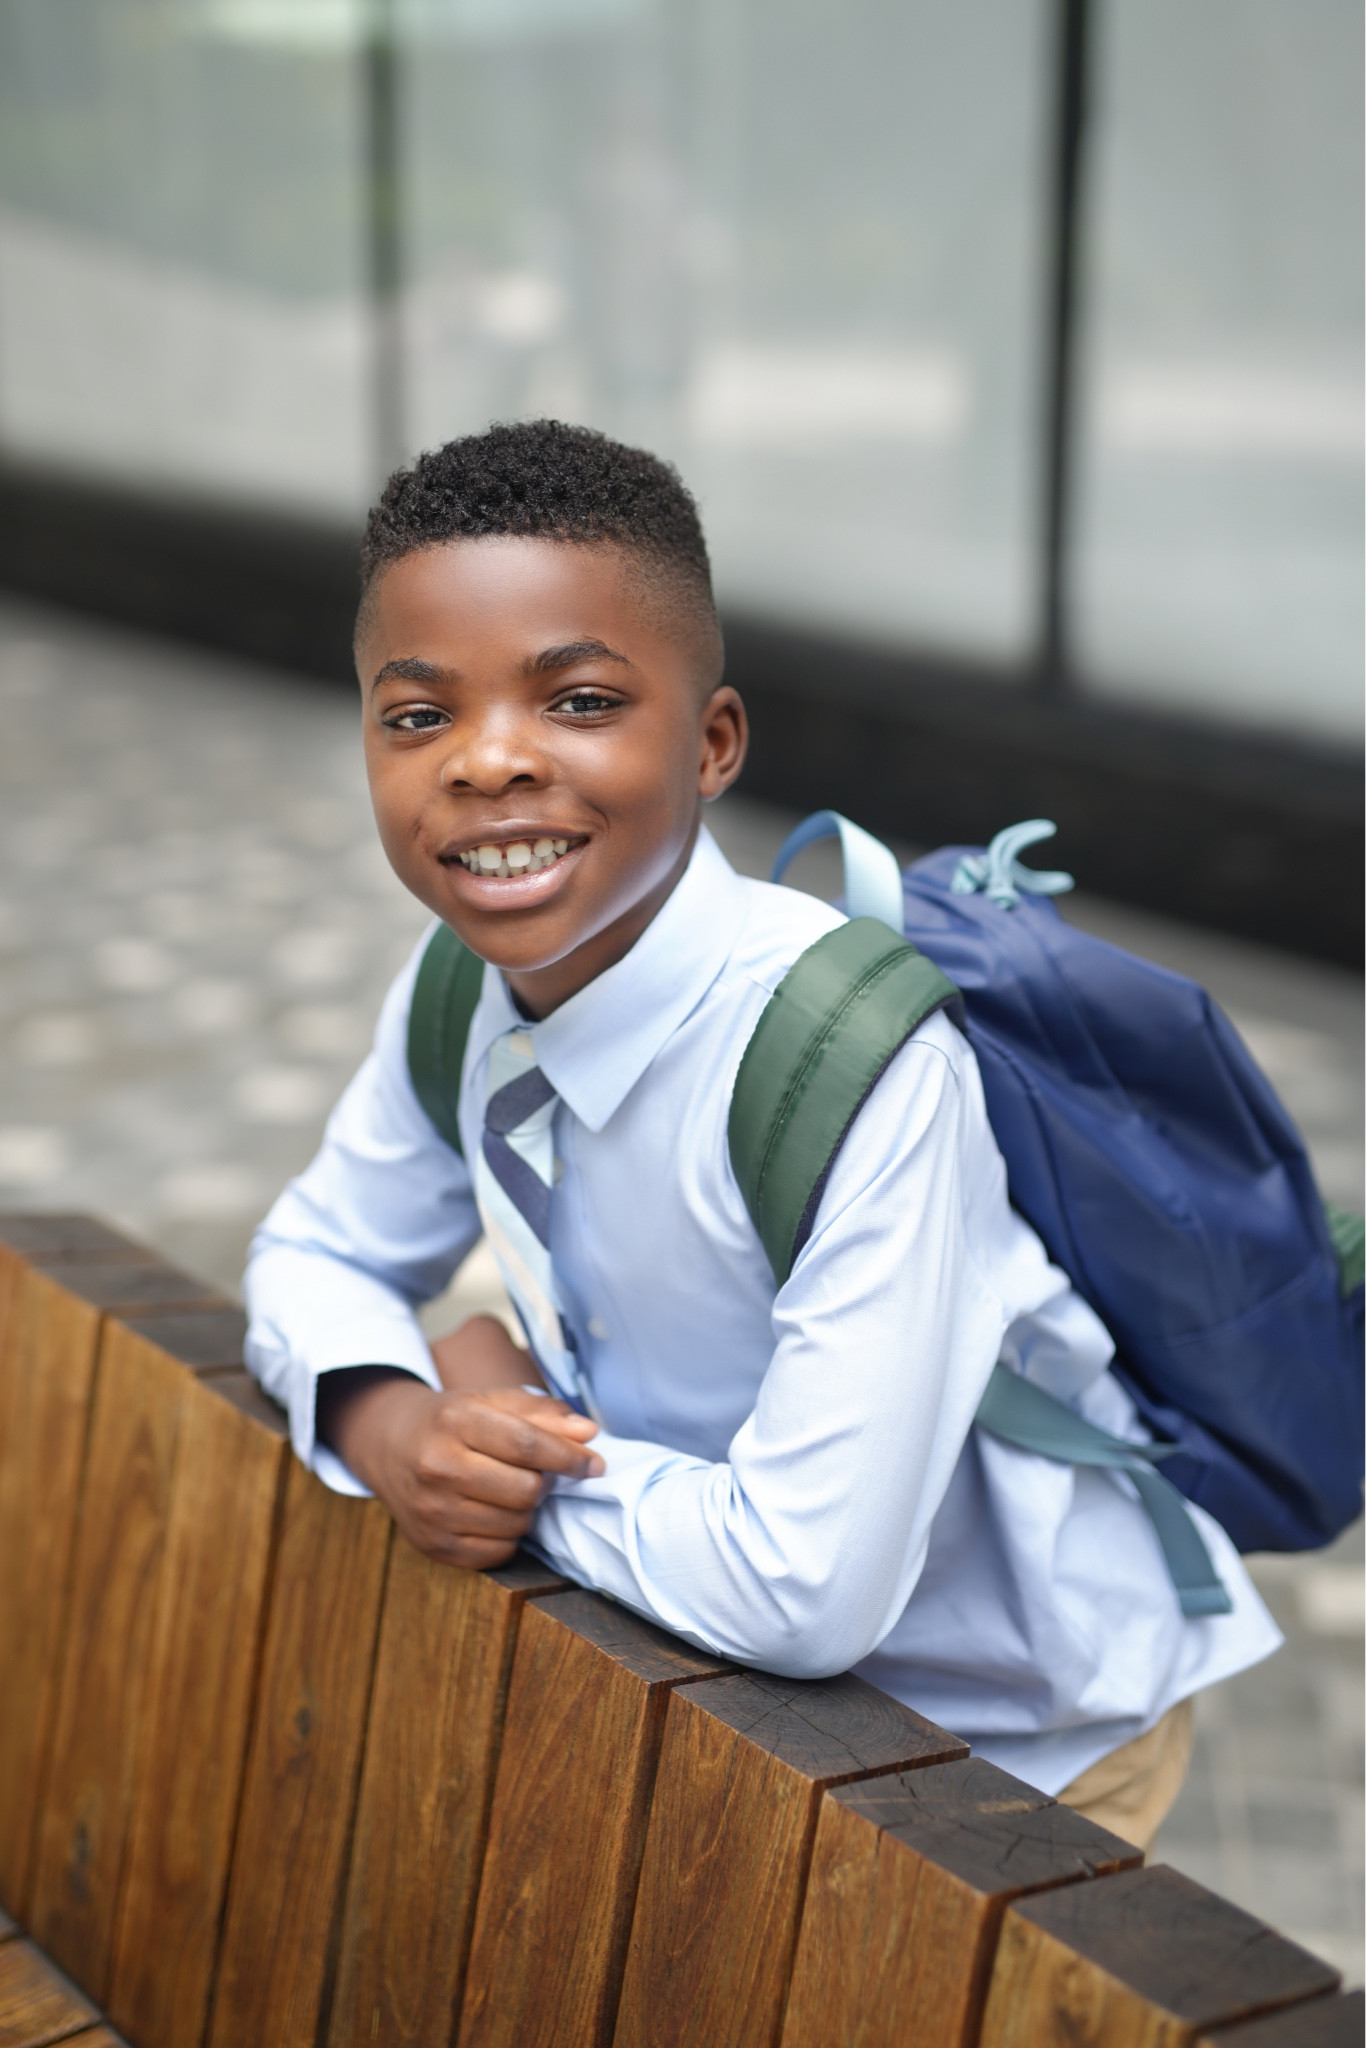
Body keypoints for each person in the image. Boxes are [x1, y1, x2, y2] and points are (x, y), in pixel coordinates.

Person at [244, 419, 1279, 1853]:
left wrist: (517, 1461)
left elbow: (801, 1589)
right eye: (417, 715)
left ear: (712, 742)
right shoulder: (457, 995)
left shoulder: (850, 1066)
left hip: (1012, 1738)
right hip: (738, 1687)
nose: (486, 763)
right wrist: (395, 1414)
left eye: (581, 699)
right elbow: (313, 1251)